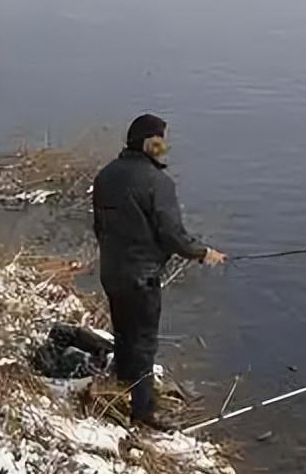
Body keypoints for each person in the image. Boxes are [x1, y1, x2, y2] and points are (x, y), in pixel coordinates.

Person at [92, 113, 226, 430]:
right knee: (143, 343)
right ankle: (143, 412)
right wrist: (203, 253)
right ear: (149, 143)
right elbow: (172, 234)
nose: (166, 146)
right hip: (141, 276)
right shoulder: (158, 182)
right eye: (162, 139)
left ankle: (122, 381)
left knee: (124, 330)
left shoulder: (105, 175)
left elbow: (100, 227)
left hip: (111, 271)